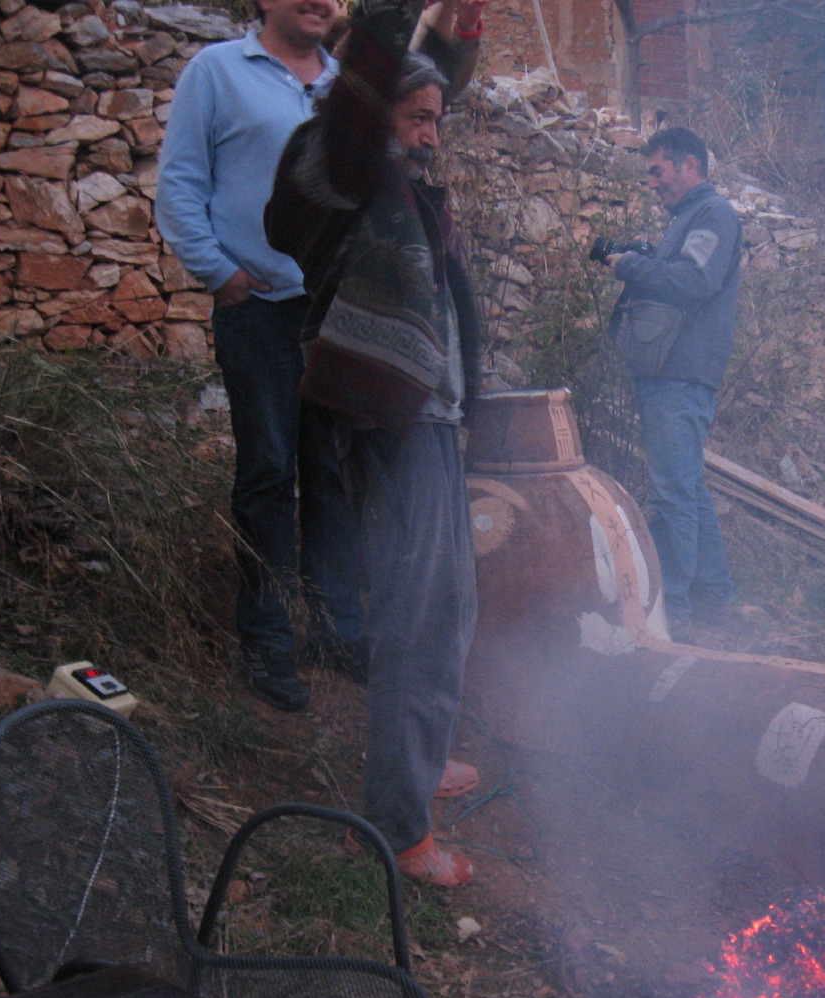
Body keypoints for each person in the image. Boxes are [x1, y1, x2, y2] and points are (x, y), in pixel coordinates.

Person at [156, 0, 484, 712]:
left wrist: (464, 25)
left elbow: (433, 87)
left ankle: (338, 630)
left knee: (332, 475)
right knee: (269, 472)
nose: (318, 0)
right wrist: (220, 272)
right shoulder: (217, 71)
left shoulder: (352, 79)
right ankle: (269, 638)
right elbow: (180, 183)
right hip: (260, 309)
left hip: (339, 314)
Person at [265, 6, 483, 887]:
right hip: (393, 421)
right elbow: (373, 84)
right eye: (418, 120)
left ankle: (417, 762)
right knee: (417, 620)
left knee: (450, 606)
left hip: (431, 418)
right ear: (372, 111)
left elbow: (422, 81)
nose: (431, 135)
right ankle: (394, 828)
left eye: (436, 121)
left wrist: (458, 32)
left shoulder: (394, 168)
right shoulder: (346, 164)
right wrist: (396, 17)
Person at [600, 127, 741, 632]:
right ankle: (716, 598)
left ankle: (673, 613)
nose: (652, 183)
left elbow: (694, 280)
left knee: (672, 495)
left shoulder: (712, 214)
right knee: (688, 489)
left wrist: (631, 266)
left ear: (689, 165)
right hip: (672, 374)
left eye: (658, 172)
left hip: (681, 376)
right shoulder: (689, 218)